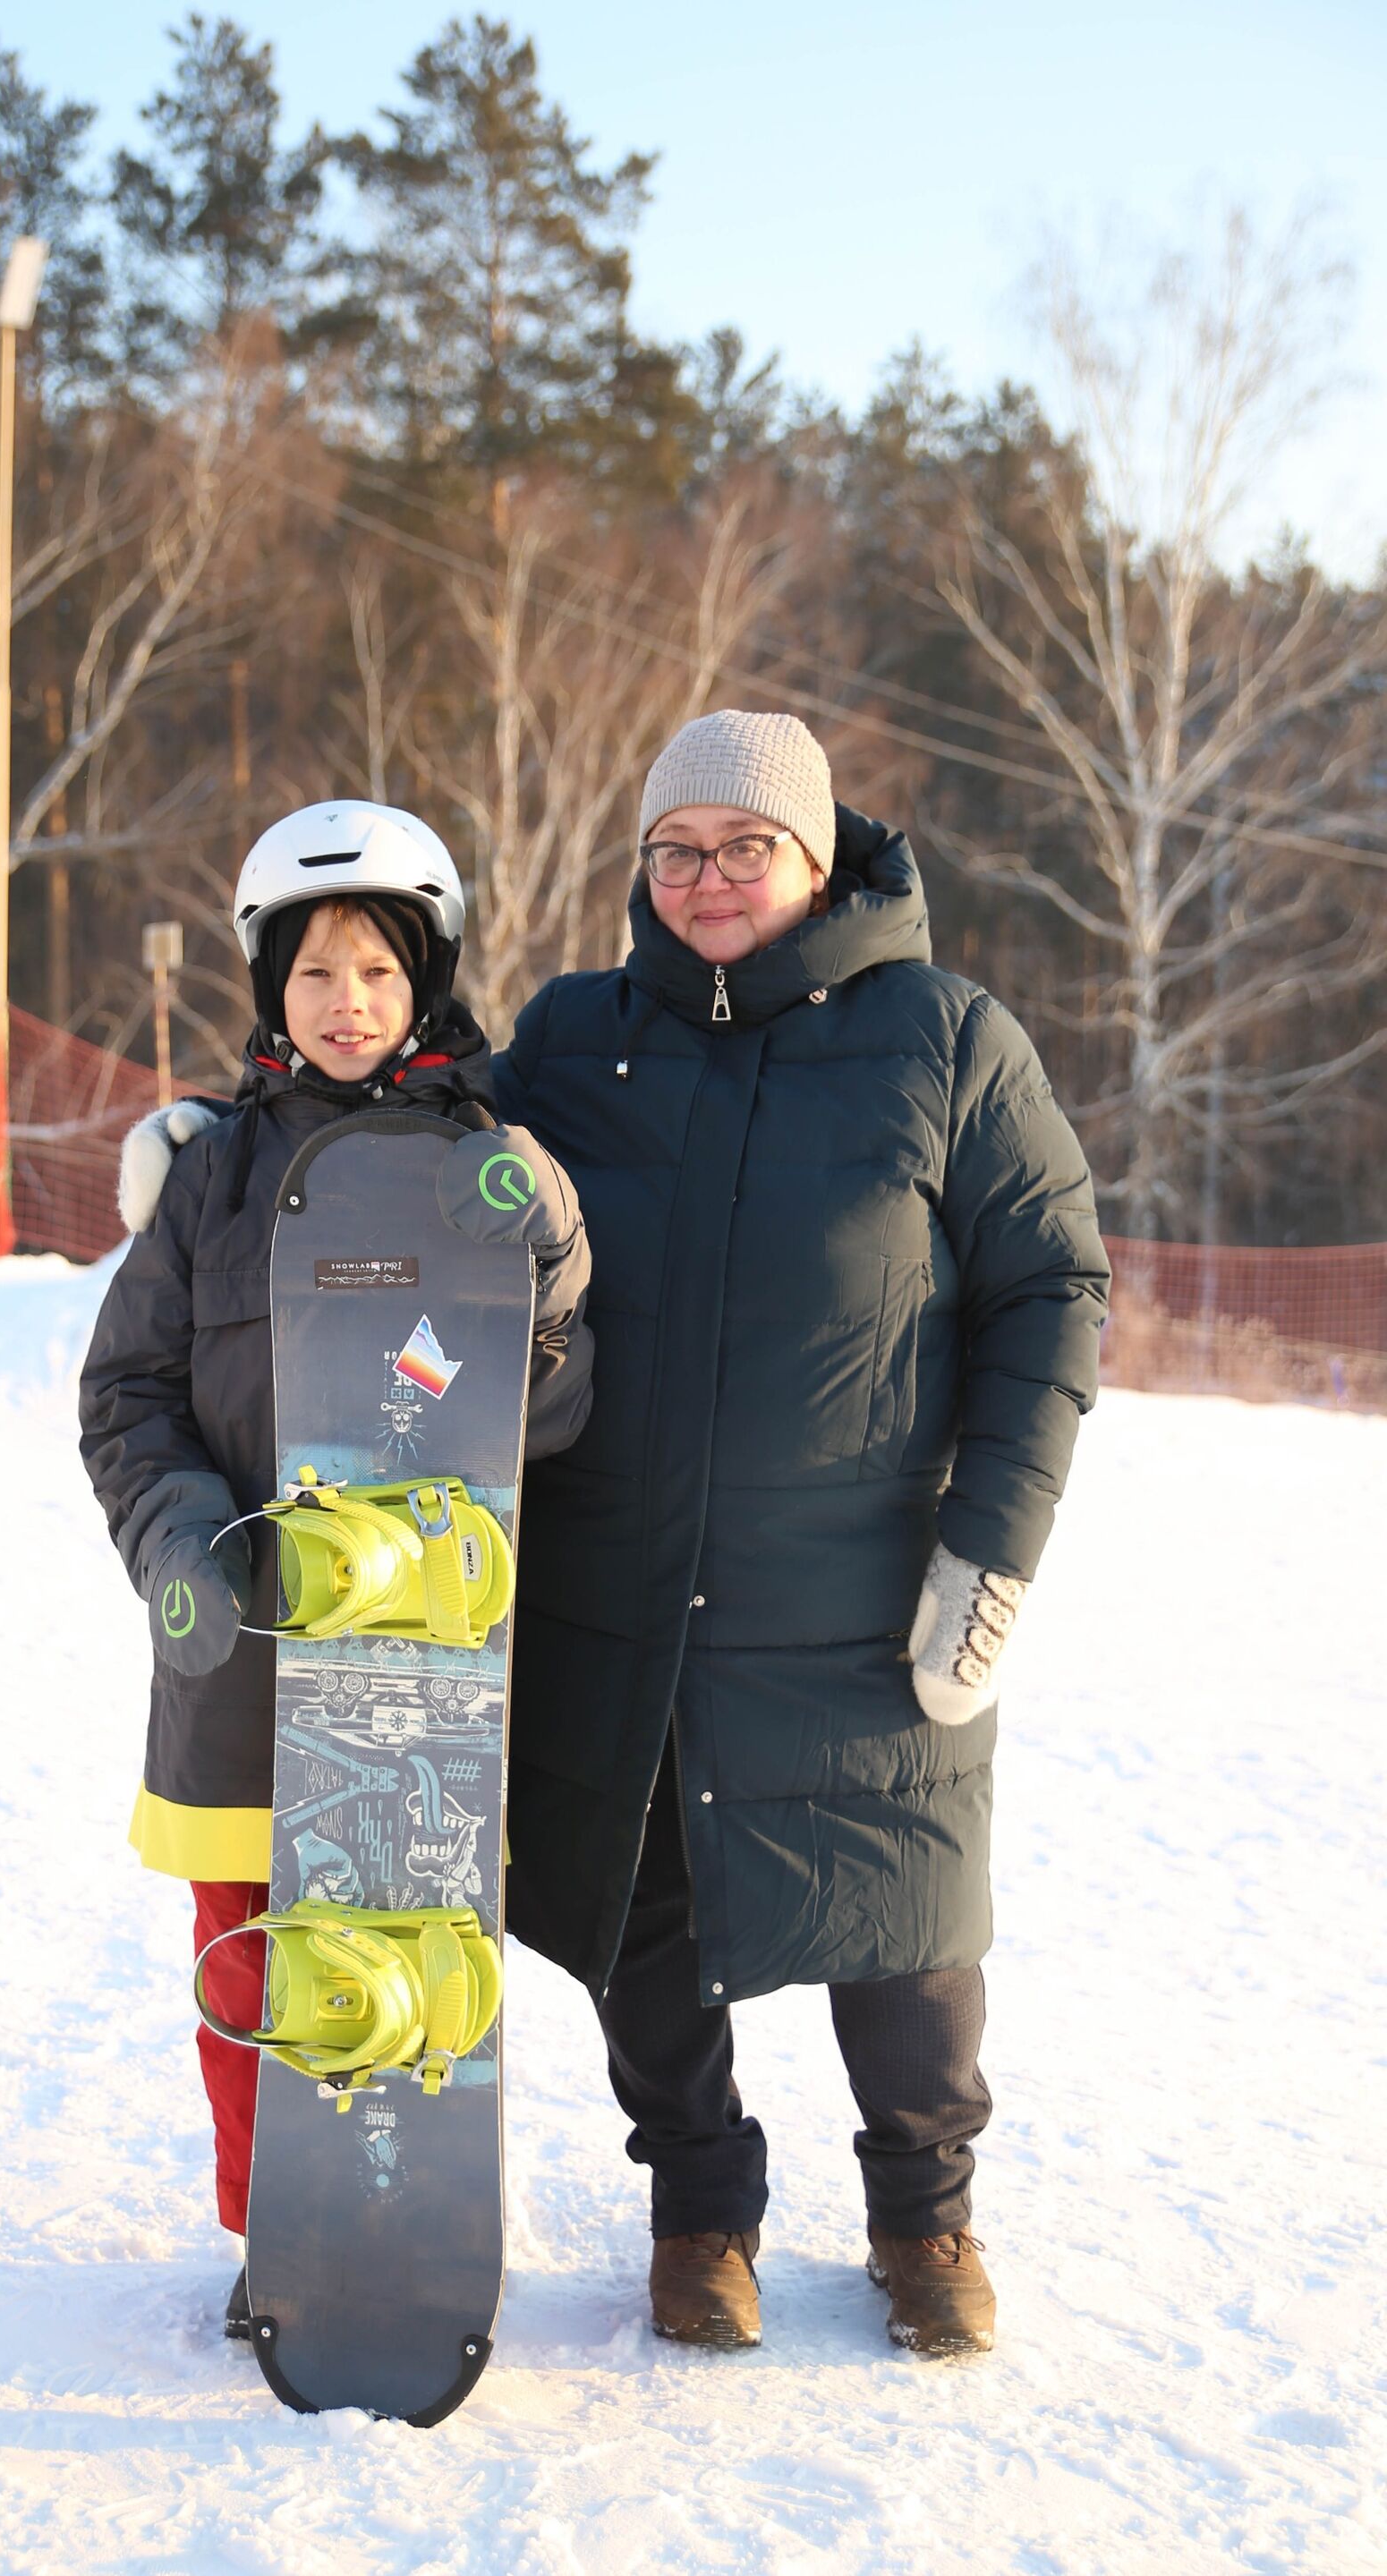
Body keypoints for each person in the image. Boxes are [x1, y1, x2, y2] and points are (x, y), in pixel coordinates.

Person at [123, 714, 1110, 2360]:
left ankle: (924, 2215)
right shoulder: (583, 1038)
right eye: (677, 850)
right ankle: (699, 2207)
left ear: (817, 858)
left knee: (907, 1921)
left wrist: (992, 1546)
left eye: (746, 848)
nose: (710, 880)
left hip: (860, 1579)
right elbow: (398, 1113)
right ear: (641, 869)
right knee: (646, 1919)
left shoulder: (949, 1041)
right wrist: (214, 1145)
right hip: (622, 1580)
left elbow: (1051, 1289)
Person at [79, 799, 593, 2334]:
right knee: (253, 1967)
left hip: (423, 1668)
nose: (346, 1001)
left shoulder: (485, 1169)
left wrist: (550, 1278)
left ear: (424, 979)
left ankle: (408, 2229)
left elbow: (555, 1413)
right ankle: (274, 2233)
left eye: (375, 967)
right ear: (267, 990)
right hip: (243, 1652)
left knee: (405, 1959)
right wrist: (182, 1542)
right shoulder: (209, 1182)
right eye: (313, 974)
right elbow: (127, 1397)